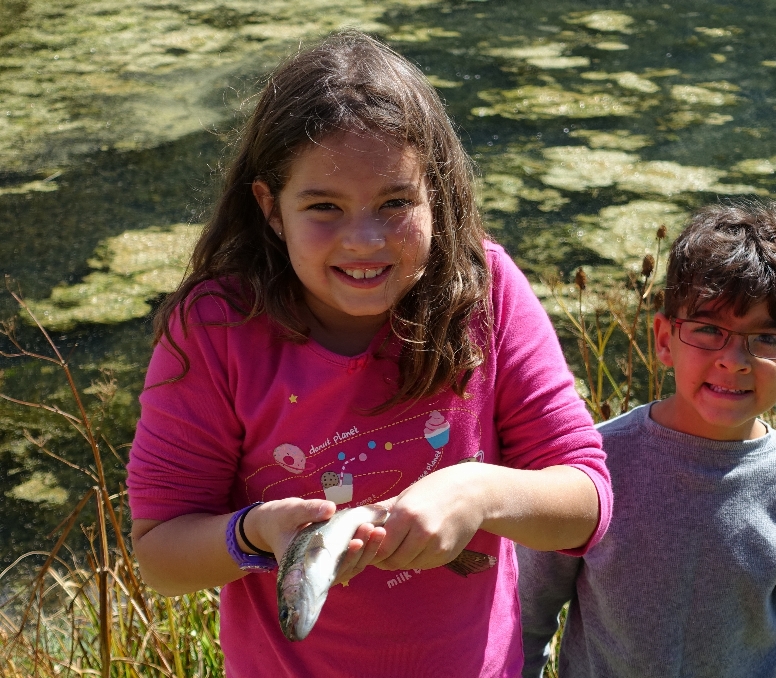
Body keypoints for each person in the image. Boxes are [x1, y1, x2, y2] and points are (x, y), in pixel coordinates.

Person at [126, 31, 611, 678]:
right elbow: (159, 554)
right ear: (271, 209)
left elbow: (587, 505)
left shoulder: (485, 291)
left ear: (434, 193)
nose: (364, 240)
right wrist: (253, 534)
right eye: (323, 207)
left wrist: (479, 494)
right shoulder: (216, 327)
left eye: (395, 203)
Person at [518, 202, 776, 678]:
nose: (734, 360)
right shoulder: (590, 471)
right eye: (707, 329)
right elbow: (523, 624)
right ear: (664, 339)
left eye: (766, 339)